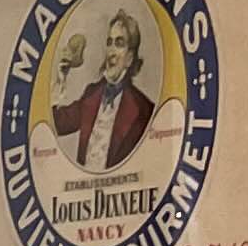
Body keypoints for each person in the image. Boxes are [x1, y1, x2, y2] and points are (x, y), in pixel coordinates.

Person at [52, 9, 164, 172]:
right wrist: (61, 81)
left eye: (119, 44)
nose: (111, 52)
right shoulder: (91, 94)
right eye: (109, 42)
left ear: (130, 58)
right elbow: (57, 125)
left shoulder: (144, 109)